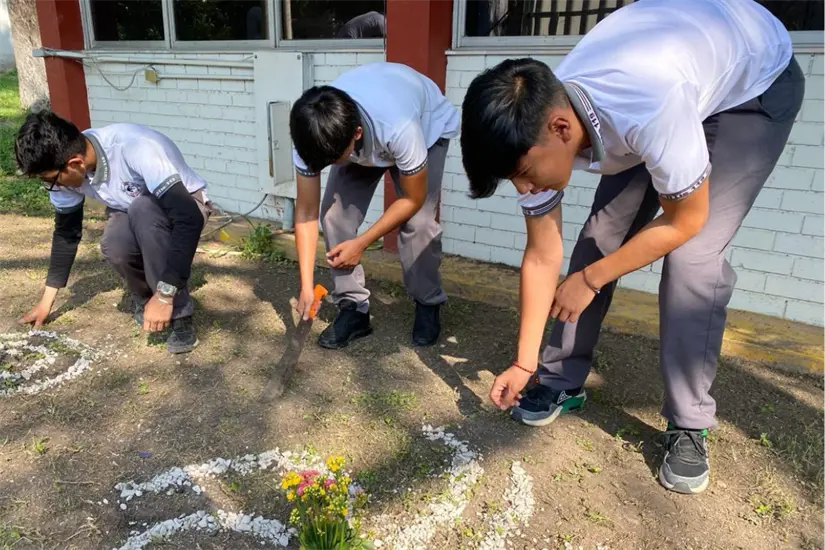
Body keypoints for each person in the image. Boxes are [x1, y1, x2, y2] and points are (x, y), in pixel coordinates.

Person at [460, 0, 803, 494]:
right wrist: (523, 361)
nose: (527, 190)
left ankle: (689, 422)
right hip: (678, 78)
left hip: (752, 87)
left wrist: (592, 279)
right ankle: (558, 377)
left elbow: (686, 220)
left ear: (560, 128)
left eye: (525, 175)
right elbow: (542, 255)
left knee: (692, 261)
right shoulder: (541, 123)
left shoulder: (648, 107)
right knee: (601, 237)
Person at [290, 61, 459, 349]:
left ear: (355, 135)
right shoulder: (311, 133)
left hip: (424, 125)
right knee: (333, 217)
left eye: (333, 159)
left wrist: (362, 242)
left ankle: (427, 301)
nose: (328, 167)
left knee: (418, 225)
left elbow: (413, 199)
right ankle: (353, 308)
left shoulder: (399, 127)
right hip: (362, 132)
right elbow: (305, 213)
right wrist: (306, 286)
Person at [15, 111, 211, 354]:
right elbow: (67, 233)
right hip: (129, 208)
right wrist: (46, 301)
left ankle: (179, 316)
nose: (53, 187)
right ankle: (145, 299)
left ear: (75, 163)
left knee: (143, 210)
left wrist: (165, 294)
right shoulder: (63, 166)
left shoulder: (135, 148)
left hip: (186, 204)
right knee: (114, 244)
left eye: (52, 180)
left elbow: (188, 218)